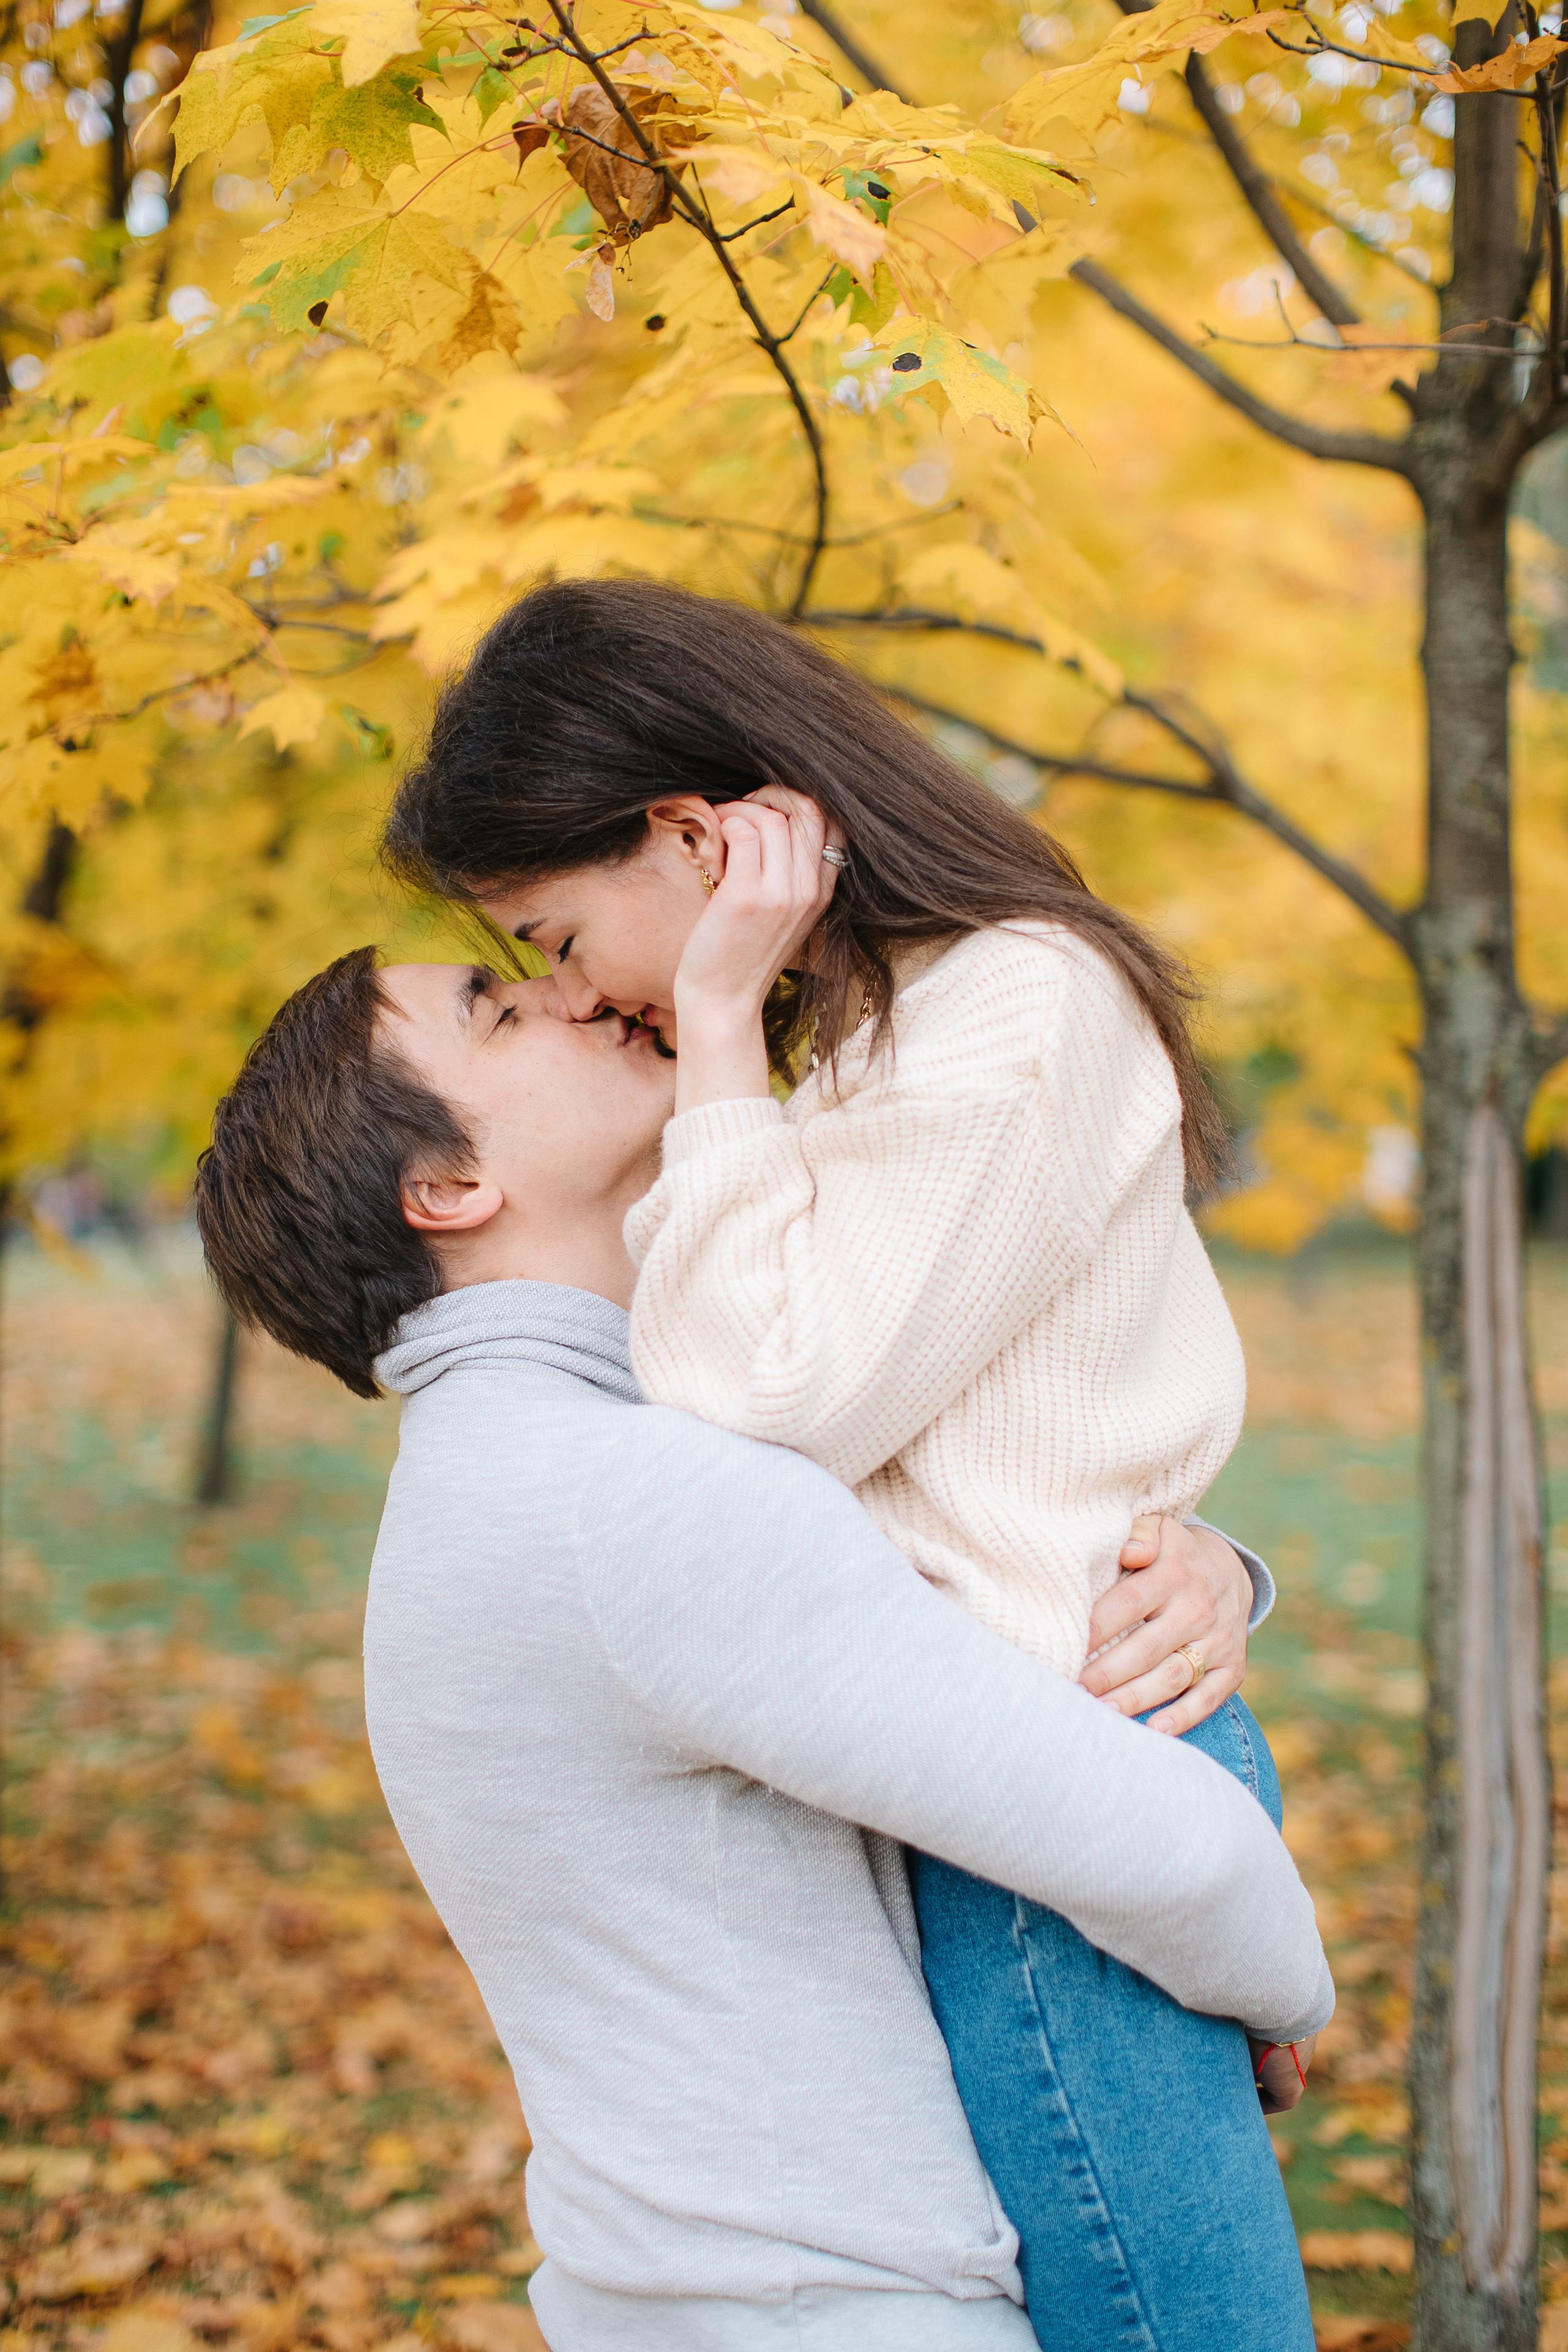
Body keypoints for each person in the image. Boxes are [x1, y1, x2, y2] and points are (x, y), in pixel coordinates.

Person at [382, 577, 1320, 2351]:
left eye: (555, 933)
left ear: (688, 839)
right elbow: (877, 1423)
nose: (571, 989)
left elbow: (766, 1426)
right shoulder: (880, 1039)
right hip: (1028, 1795)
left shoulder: (1009, 1009)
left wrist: (723, 1017)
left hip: (1074, 1813)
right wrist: (1215, 1558)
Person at [195, 948, 1332, 2352]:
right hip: (833, 2305)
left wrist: (1202, 1567)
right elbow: (1174, 1856)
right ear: (445, 1191)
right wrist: (1280, 1993)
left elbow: (943, 1545)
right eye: (496, 1009)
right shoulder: (633, 1497)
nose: (576, 992)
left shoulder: (517, 1476)